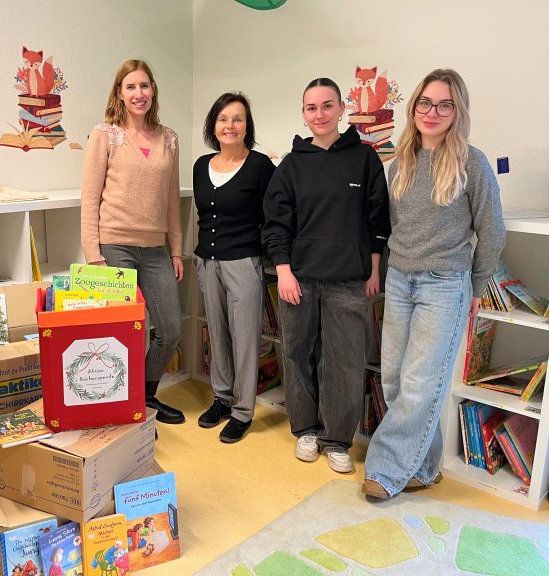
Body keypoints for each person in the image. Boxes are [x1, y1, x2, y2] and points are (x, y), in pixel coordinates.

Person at [363, 69, 505, 499]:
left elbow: (493, 229)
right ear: (414, 107)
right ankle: (424, 468)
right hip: (400, 279)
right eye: (425, 102)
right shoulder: (399, 163)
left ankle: (385, 473)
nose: (432, 112)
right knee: (393, 379)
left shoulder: (472, 162)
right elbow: (393, 227)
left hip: (445, 285)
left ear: (457, 111)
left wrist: (478, 287)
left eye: (444, 104)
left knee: (422, 383)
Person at [262, 78, 390, 474]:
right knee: (298, 354)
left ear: (341, 109)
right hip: (298, 278)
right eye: (311, 107)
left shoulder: (365, 160)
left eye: (327, 105)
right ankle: (306, 430)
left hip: (349, 280)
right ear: (304, 113)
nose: (319, 114)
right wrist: (283, 271)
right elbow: (275, 224)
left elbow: (377, 218)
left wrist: (372, 268)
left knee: (346, 361)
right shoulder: (291, 164)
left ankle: (337, 439)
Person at [81, 59, 185, 425]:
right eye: (130, 87)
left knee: (170, 329)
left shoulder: (169, 138)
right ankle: (124, 408)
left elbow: (172, 200)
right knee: (124, 334)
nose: (138, 93)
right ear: (120, 94)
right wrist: (93, 255)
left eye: (144, 86)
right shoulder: (105, 135)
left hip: (156, 250)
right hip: (114, 248)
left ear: (153, 90)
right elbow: (90, 198)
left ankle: (143, 396)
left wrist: (176, 249)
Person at [193, 92, 275, 443]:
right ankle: (222, 398)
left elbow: (274, 216)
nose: (230, 125)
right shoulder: (201, 165)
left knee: (245, 338)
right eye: (223, 118)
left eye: (238, 119)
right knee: (218, 332)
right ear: (214, 124)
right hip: (207, 261)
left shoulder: (260, 166)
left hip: (243, 262)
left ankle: (243, 411)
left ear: (247, 126)